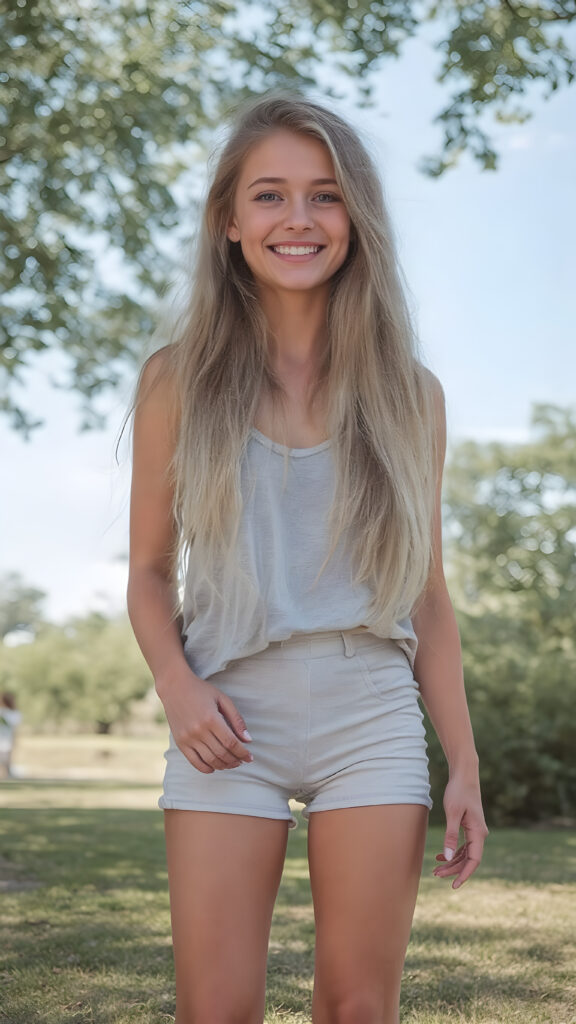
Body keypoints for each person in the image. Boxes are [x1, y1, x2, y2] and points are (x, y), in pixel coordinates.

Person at [127, 91, 488, 1024]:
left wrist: (464, 764)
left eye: (325, 196)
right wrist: (176, 684)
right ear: (230, 222)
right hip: (227, 718)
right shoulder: (177, 379)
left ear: (356, 220)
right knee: (214, 1011)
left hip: (369, 712)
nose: (298, 219)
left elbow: (430, 599)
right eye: (270, 196)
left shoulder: (413, 395)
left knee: (358, 1010)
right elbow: (147, 572)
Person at [0, 692, 22, 779]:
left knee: (6, 761)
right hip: (6, 739)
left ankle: (7, 775)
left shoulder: (11, 713)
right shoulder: (13, 713)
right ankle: (7, 775)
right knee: (6, 760)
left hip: (6, 739)